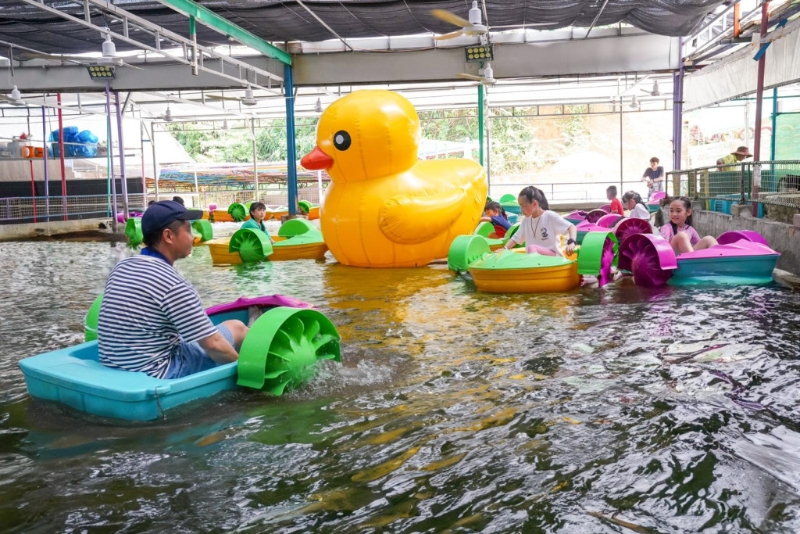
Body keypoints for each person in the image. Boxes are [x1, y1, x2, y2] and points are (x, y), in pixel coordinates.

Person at [97, 200, 248, 379]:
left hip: (116, 366)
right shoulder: (172, 283)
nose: (193, 237)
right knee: (237, 328)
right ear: (168, 236)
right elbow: (213, 344)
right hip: (160, 372)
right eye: (189, 231)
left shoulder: (122, 267)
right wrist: (245, 373)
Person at [499, 186, 576, 256]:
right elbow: (515, 238)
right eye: (520, 206)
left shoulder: (549, 216)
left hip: (552, 259)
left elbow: (572, 227)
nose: (521, 209)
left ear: (535, 204)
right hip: (535, 259)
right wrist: (504, 248)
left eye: (523, 206)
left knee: (532, 248)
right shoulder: (526, 220)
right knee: (529, 250)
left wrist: (572, 242)